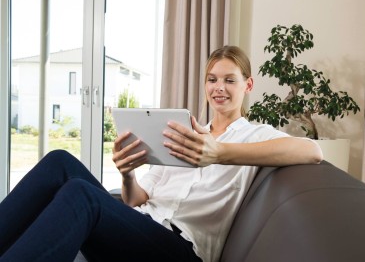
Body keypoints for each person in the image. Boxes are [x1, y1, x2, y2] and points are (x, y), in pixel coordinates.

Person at [0, 45, 323, 262]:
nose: (218, 88)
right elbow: (135, 200)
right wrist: (128, 172)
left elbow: (312, 150)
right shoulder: (182, 132)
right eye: (212, 80)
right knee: (60, 161)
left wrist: (218, 153)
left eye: (229, 80)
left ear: (248, 85)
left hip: (180, 249)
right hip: (140, 227)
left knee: (81, 194)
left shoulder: (256, 135)